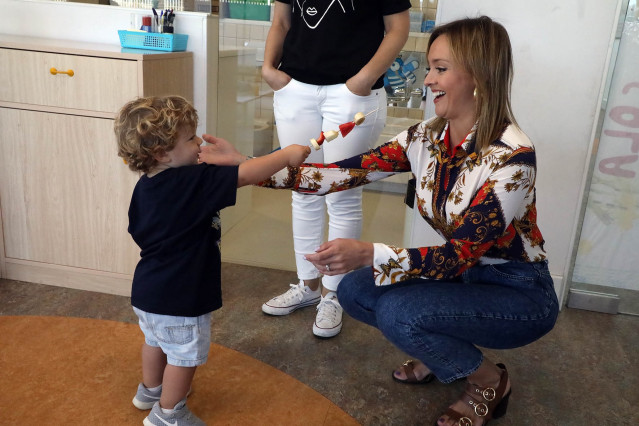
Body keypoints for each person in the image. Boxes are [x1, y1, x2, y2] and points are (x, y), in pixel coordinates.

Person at [200, 16, 560, 426]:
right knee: (355, 291)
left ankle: (488, 381)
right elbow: (339, 174)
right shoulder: (427, 136)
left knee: (399, 314)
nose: (427, 80)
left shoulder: (512, 156)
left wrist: (369, 252)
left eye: (440, 69)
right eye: (430, 68)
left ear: (480, 75)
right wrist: (243, 167)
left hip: (517, 293)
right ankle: (441, 350)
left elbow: (458, 255)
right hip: (462, 279)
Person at [114, 95, 310, 426]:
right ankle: (168, 413)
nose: (198, 143)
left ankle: (150, 390)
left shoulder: (146, 186)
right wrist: (286, 155)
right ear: (163, 153)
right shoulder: (193, 183)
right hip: (181, 296)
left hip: (148, 290)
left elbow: (137, 228)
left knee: (155, 340)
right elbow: (246, 175)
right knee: (183, 355)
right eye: (190, 138)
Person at [259, 0, 411, 338]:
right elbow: (281, 22)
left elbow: (398, 28)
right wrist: (269, 69)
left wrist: (364, 79)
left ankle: (334, 294)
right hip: (295, 88)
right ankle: (308, 285)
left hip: (352, 93)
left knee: (342, 194)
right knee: (303, 190)